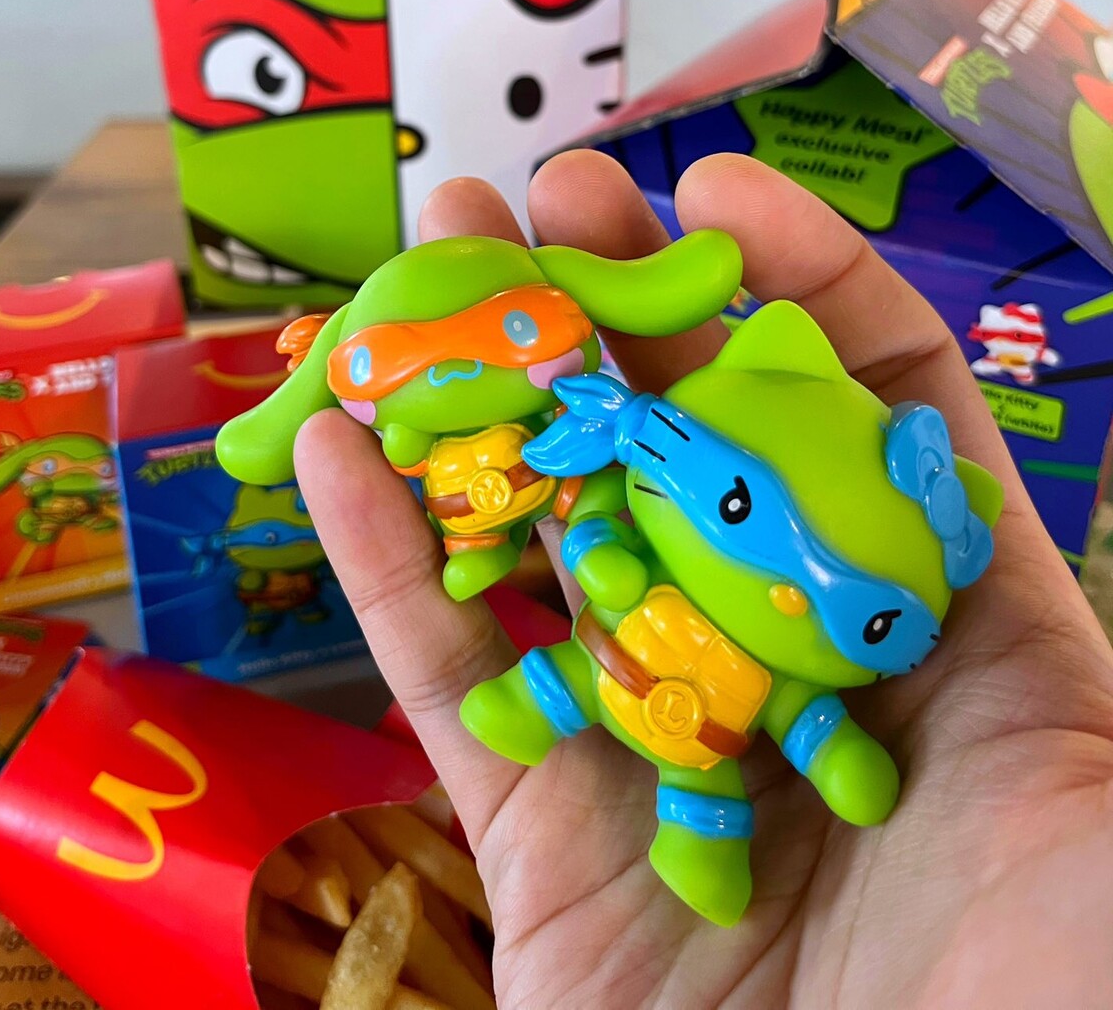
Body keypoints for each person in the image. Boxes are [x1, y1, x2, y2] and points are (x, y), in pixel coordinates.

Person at [294, 150, 1113, 1010]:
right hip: (624, 645)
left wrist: (840, 756)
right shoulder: (629, 489)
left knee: (701, 793)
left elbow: (810, 717)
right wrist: (601, 553)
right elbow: (601, 526)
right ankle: (526, 709)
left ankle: (695, 847)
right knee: (559, 685)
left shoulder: (793, 655)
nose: (789, 592)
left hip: (724, 711)